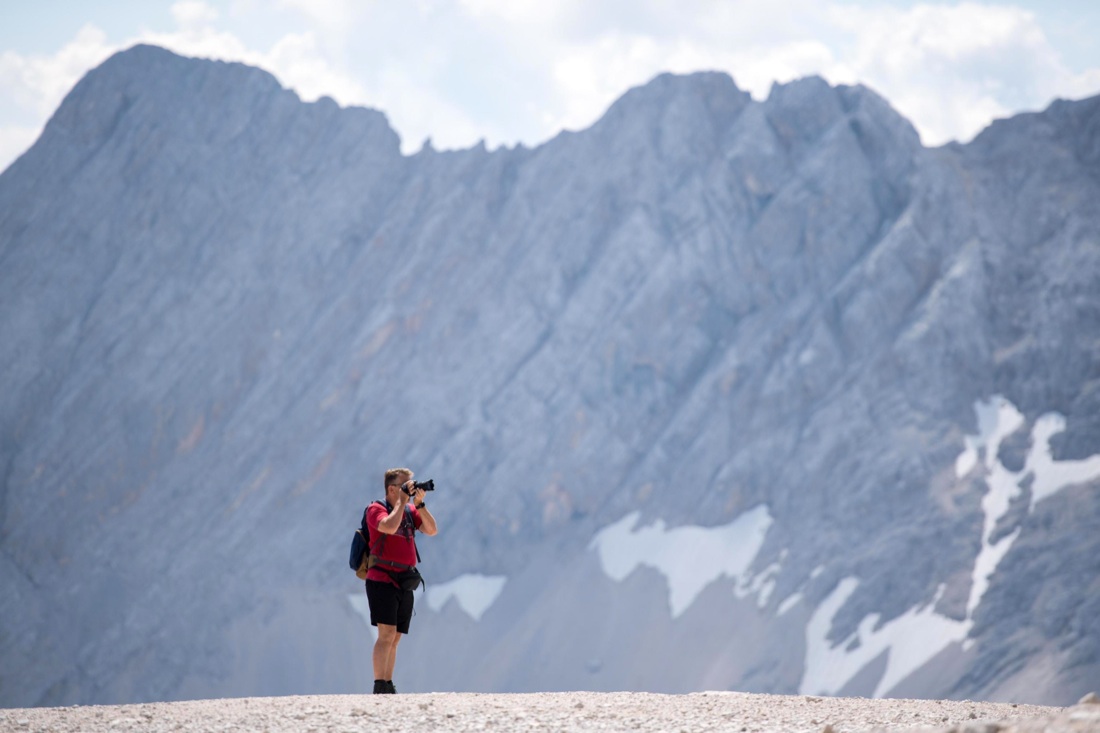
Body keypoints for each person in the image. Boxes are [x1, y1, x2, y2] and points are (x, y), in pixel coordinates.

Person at [363, 467, 438, 694]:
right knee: (385, 634)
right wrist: (402, 503)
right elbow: (388, 526)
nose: (411, 487)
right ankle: (379, 684)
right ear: (392, 488)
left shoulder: (409, 511)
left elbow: (432, 530)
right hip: (382, 578)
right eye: (406, 485)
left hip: (404, 580)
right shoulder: (376, 509)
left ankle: (388, 683)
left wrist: (420, 504)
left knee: (395, 637)